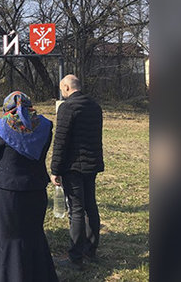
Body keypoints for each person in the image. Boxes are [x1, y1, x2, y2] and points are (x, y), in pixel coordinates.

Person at [0, 91, 59, 282]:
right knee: (32, 234)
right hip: (35, 188)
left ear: (7, 110)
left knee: (8, 237)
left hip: (8, 192)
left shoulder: (4, 126)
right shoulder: (46, 126)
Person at [50, 75, 104, 270]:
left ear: (66, 87)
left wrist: (55, 169)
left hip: (73, 166)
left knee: (77, 209)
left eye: (61, 89)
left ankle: (75, 257)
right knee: (91, 206)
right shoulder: (95, 107)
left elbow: (61, 141)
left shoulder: (68, 107)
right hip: (92, 164)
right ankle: (90, 250)